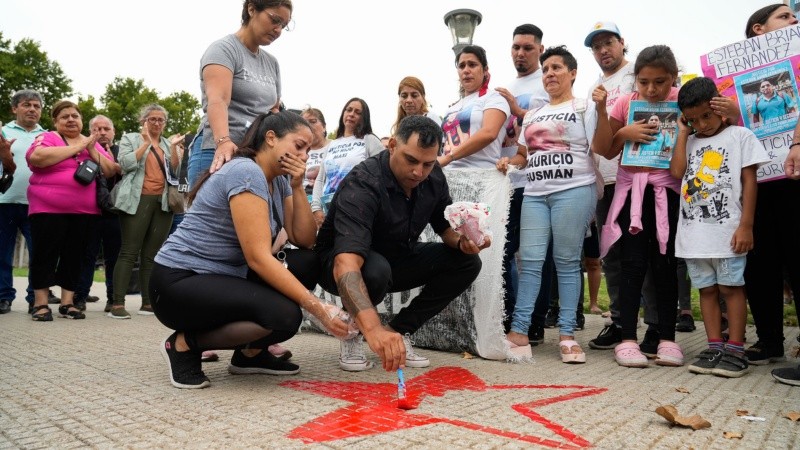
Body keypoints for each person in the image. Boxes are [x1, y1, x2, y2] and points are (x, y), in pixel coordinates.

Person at [151, 111, 348, 389]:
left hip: (225, 276)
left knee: (306, 262)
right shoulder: (246, 171)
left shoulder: (279, 179)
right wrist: (320, 308)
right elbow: (258, 258)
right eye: (299, 145)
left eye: (308, 149)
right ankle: (182, 344)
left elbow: (304, 239)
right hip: (178, 281)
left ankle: (250, 355)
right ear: (270, 138)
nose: (305, 156)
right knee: (284, 316)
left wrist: (297, 187)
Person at [315, 115, 490, 372]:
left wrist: (462, 241)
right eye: (411, 160)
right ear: (393, 145)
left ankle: (397, 332)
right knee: (375, 268)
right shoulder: (363, 182)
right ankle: (353, 332)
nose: (419, 172)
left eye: (427, 164)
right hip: (341, 265)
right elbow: (346, 262)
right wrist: (371, 328)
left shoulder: (434, 177)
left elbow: (444, 228)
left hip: (397, 257)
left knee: (467, 262)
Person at [499, 45, 610, 364]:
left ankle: (567, 336)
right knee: (530, 262)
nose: (549, 73)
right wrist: (511, 164)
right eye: (546, 69)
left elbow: (603, 147)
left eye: (557, 68)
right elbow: (523, 154)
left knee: (566, 260)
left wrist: (602, 111)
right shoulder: (531, 114)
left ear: (573, 73)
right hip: (535, 194)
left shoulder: (584, 106)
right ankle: (519, 332)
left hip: (575, 190)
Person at [670, 77, 768, 378]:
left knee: (731, 287)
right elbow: (677, 172)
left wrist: (746, 225)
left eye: (706, 116)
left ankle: (736, 348)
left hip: (728, 232)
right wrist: (683, 133)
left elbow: (750, 181)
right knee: (707, 290)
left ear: (719, 106)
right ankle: (714, 346)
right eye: (693, 119)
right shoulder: (692, 139)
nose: (702, 124)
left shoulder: (740, 136)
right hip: (693, 234)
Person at [596, 45, 684, 368]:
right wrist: (622, 130)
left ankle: (667, 338)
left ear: (673, 78)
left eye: (660, 82)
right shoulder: (626, 102)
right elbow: (604, 149)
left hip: (667, 194)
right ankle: (628, 339)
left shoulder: (681, 101)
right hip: (632, 193)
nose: (651, 89)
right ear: (636, 79)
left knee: (665, 265)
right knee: (632, 264)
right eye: (644, 81)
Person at [736, 4, 800, 383]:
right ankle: (769, 341)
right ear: (758, 30)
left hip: (794, 175)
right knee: (760, 262)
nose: (794, 21)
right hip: (757, 180)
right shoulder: (735, 78)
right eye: (785, 16)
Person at [25, 100, 119, 321]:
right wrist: (77, 147)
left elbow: (110, 170)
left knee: (75, 256)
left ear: (81, 120)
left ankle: (68, 303)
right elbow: (36, 158)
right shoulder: (48, 138)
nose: (70, 120)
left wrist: (90, 149)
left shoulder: (92, 143)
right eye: (64, 116)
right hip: (47, 208)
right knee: (44, 254)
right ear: (56, 122)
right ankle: (40, 304)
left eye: (74, 116)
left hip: (85, 211)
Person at [187, 0, 293, 187]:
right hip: (219, 151)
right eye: (275, 20)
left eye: (284, 25)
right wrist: (223, 141)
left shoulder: (272, 63)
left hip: (255, 156)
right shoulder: (224, 49)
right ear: (251, 9)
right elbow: (218, 99)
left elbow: (273, 111)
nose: (278, 30)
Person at [493, 24, 551, 343]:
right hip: (506, 181)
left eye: (528, 47)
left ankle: (535, 322)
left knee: (532, 257)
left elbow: (551, 123)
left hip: (536, 181)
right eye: (516, 47)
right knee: (502, 252)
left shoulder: (548, 81)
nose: (520, 53)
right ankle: (512, 317)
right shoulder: (504, 87)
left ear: (540, 49)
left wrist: (517, 110)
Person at [109, 104, 183, 319]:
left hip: (163, 202)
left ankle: (148, 303)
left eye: (161, 120)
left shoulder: (169, 143)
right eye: (152, 119)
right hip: (136, 199)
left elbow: (175, 173)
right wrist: (146, 143)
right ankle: (117, 304)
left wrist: (178, 153)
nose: (157, 123)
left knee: (151, 255)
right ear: (144, 120)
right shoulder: (131, 138)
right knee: (129, 252)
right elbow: (125, 164)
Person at [0, 90, 44, 315]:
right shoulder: (2, 132)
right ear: (14, 108)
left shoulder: (47, 136)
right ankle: (3, 297)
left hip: (37, 203)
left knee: (39, 253)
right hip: (4, 201)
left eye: (37, 106)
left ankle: (34, 298)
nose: (32, 109)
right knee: (2, 252)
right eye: (27, 105)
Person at [73, 115, 122, 313]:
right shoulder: (81, 149)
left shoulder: (122, 151)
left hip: (115, 212)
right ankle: (80, 296)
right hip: (89, 210)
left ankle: (113, 298)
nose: (102, 133)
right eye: (96, 129)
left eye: (106, 129)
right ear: (90, 131)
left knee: (115, 257)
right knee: (86, 255)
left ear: (113, 132)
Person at [310, 98, 383, 227]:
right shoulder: (332, 144)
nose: (351, 114)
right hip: (329, 211)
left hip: (358, 210)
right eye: (348, 110)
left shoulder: (369, 139)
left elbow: (383, 175)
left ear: (364, 117)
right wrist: (316, 208)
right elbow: (320, 179)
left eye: (357, 112)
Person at [438, 45, 509, 169]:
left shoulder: (494, 98)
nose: (466, 70)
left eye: (472, 65)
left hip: (481, 174)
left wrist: (449, 158)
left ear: (485, 70)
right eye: (462, 66)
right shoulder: (450, 109)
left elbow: (489, 133)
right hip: (448, 176)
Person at [300, 107, 330, 202]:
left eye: (313, 121)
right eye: (304, 122)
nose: (308, 125)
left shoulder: (335, 147)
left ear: (324, 126)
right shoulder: (297, 151)